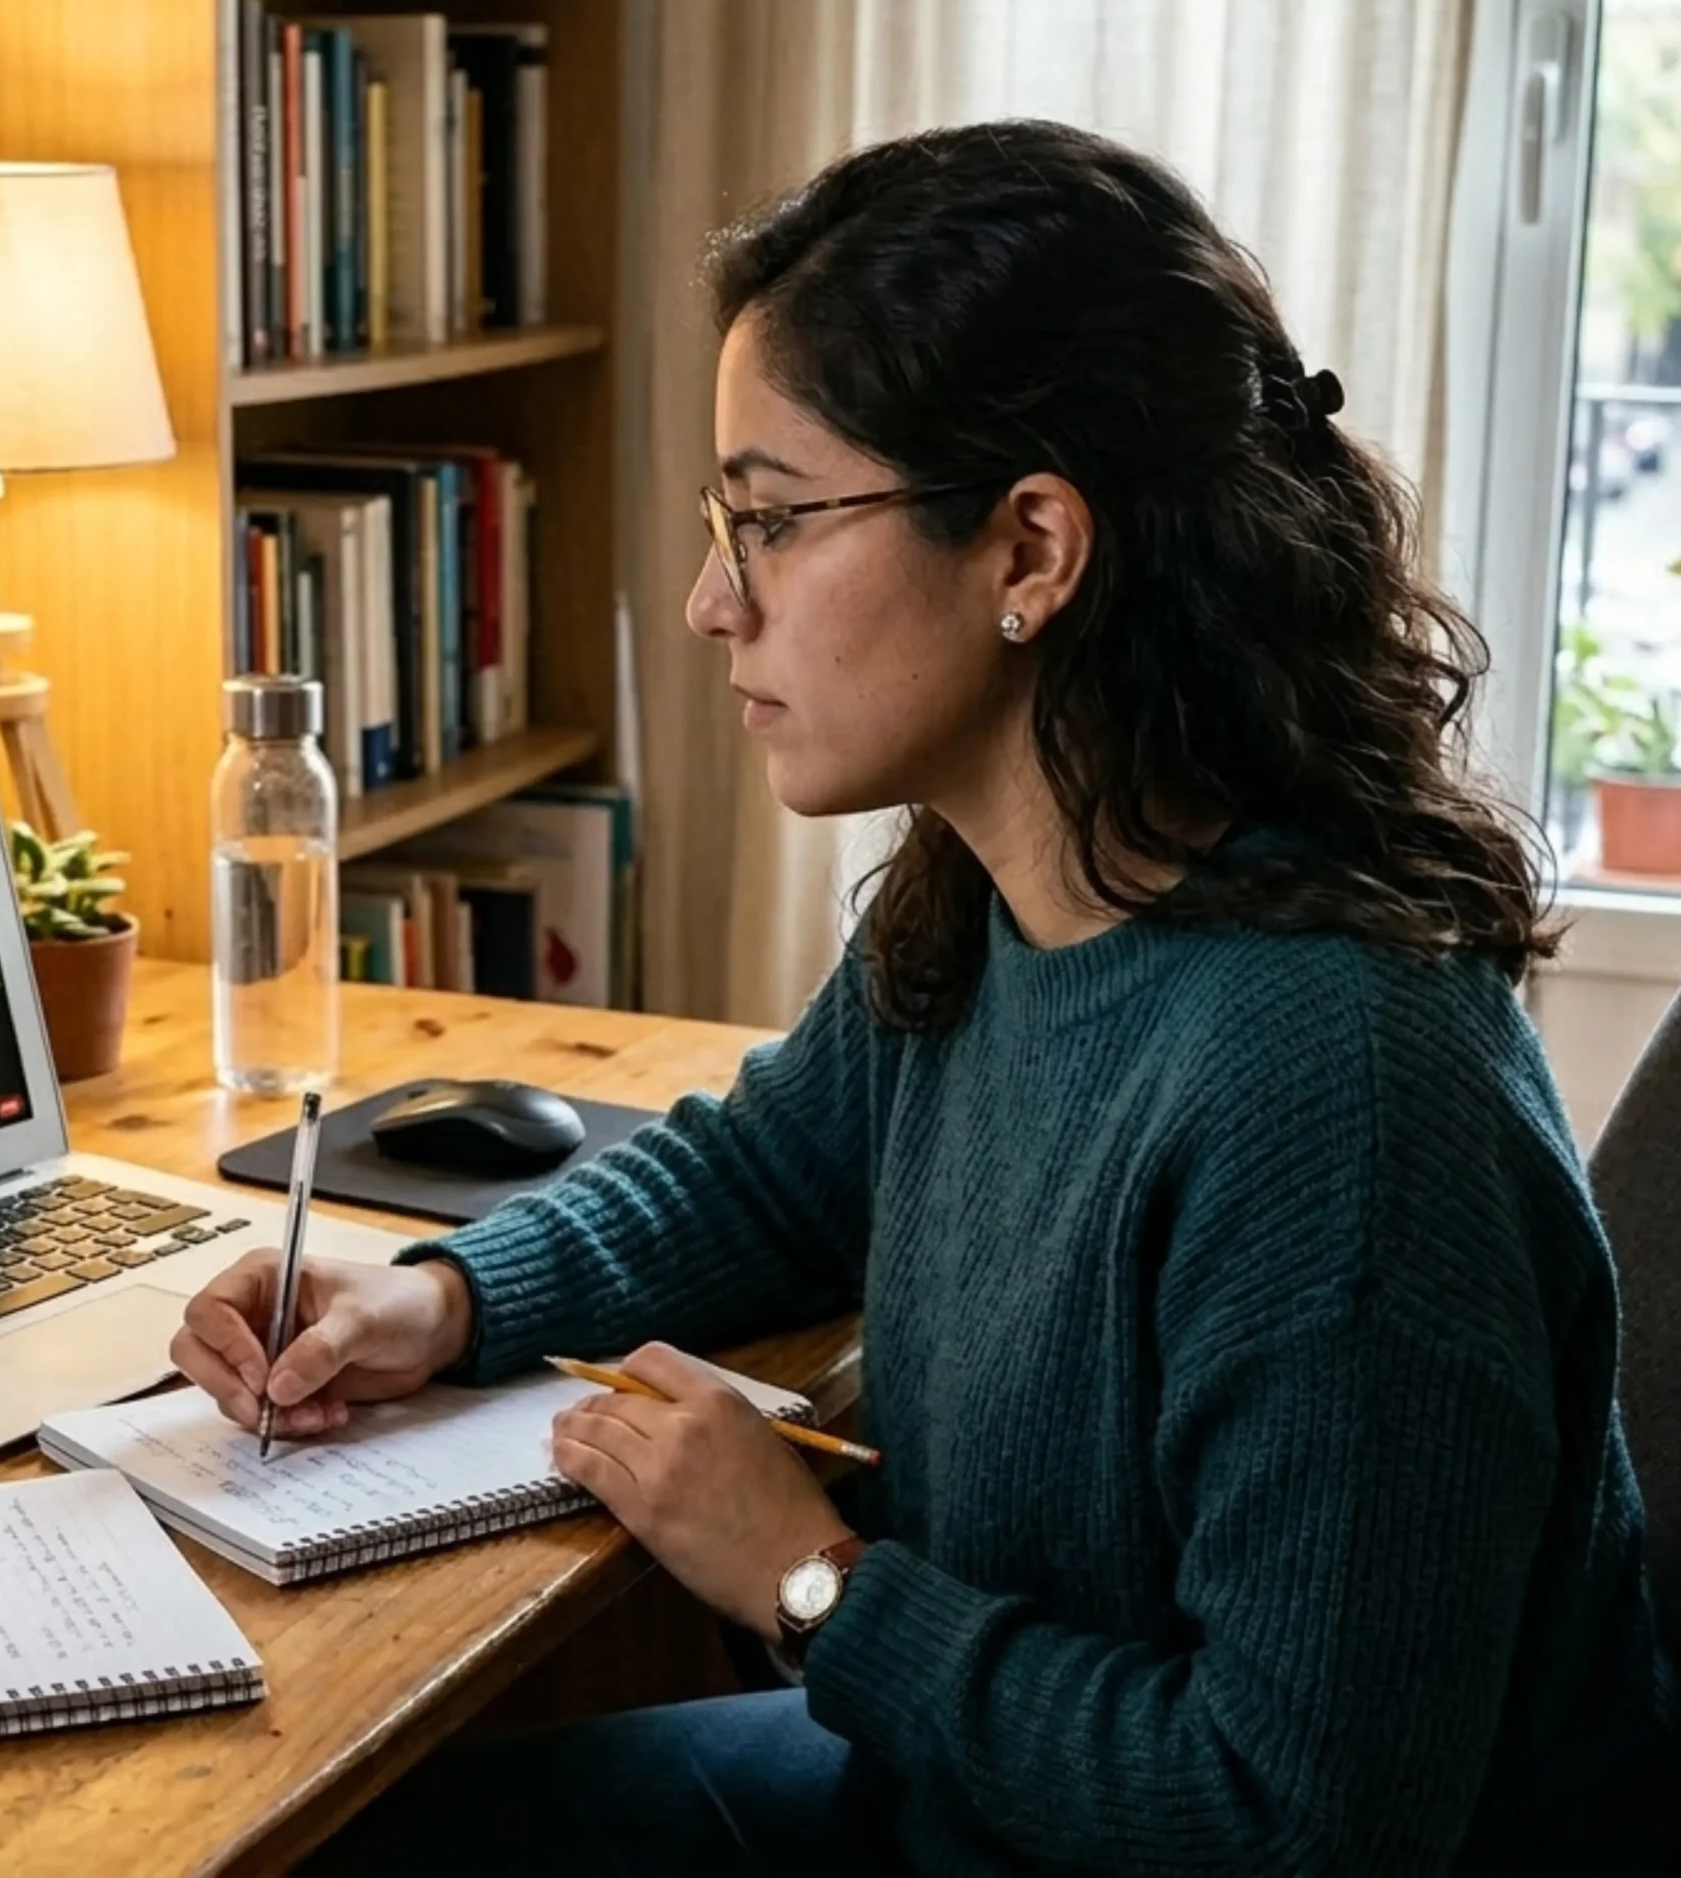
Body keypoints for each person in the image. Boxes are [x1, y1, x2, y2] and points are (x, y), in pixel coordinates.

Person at [169, 121, 1678, 1874]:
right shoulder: (1015, 879)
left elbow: (1300, 1821)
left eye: (776, 519)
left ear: (1031, 546)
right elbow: (769, 1169)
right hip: (976, 1805)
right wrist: (438, 1295)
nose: (708, 598)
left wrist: (816, 1580)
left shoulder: (1337, 1098)